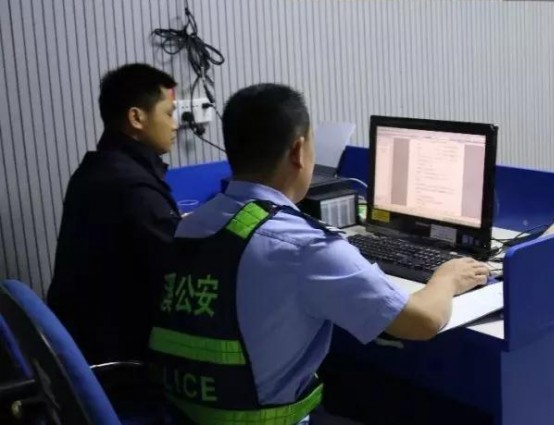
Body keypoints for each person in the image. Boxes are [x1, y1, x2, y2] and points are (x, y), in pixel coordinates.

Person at [149, 84, 489, 424]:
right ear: (299, 151)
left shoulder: (194, 223)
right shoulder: (305, 246)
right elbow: (423, 322)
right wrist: (447, 278)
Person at [48, 63, 180, 363]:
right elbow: (178, 270)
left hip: (87, 340)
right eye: (169, 114)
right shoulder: (132, 187)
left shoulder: (100, 168)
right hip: (122, 355)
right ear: (136, 118)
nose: (175, 125)